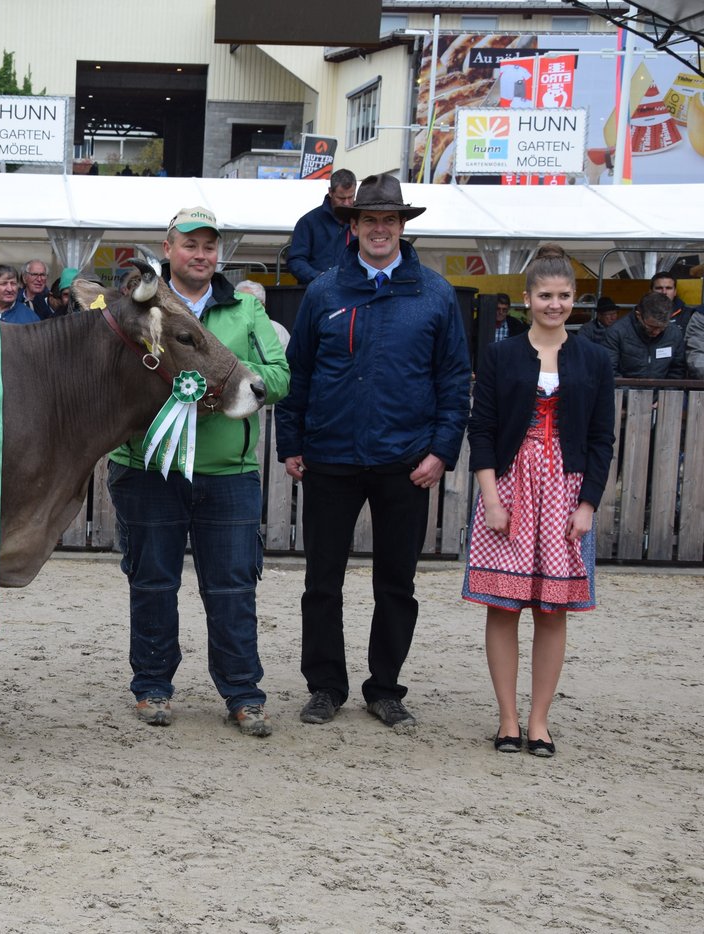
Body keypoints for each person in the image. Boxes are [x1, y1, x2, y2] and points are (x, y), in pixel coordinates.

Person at [276, 174, 472, 732]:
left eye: (389, 220)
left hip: (405, 463)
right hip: (331, 458)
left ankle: (384, 688)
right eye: (369, 220)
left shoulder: (433, 293)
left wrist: (441, 450)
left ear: (402, 226)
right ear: (353, 227)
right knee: (322, 582)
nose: (379, 229)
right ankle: (326, 686)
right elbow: (301, 373)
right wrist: (291, 442)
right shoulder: (325, 291)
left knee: (396, 585)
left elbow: (454, 381)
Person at [108, 206, 291, 736]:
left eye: (210, 246)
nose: (202, 254)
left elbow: (278, 379)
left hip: (227, 472)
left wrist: (221, 383)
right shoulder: (137, 307)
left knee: (233, 587)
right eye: (190, 245)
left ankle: (242, 693)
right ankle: (152, 688)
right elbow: (111, 376)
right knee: (152, 582)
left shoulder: (246, 311)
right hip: (148, 466)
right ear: (168, 250)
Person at [463, 245, 616, 759]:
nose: (555, 304)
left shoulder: (594, 358)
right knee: (504, 607)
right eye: (545, 295)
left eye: (564, 296)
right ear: (527, 299)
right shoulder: (502, 354)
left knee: (552, 612)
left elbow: (601, 439)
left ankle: (539, 722)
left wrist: (587, 504)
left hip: (565, 493)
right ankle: (507, 719)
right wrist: (491, 499)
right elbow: (481, 429)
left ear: (575, 300)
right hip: (508, 487)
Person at [287, 168, 357, 285]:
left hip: (351, 291)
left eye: (350, 197)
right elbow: (295, 260)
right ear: (330, 192)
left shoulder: (361, 221)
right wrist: (318, 278)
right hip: (316, 293)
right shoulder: (308, 222)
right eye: (341, 198)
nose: (346, 203)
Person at [601, 292, 686, 379]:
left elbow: (677, 370)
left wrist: (669, 391)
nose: (656, 332)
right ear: (639, 315)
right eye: (651, 327)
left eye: (662, 327)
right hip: (625, 390)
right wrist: (627, 391)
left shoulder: (674, 333)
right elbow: (610, 370)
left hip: (664, 391)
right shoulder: (617, 332)